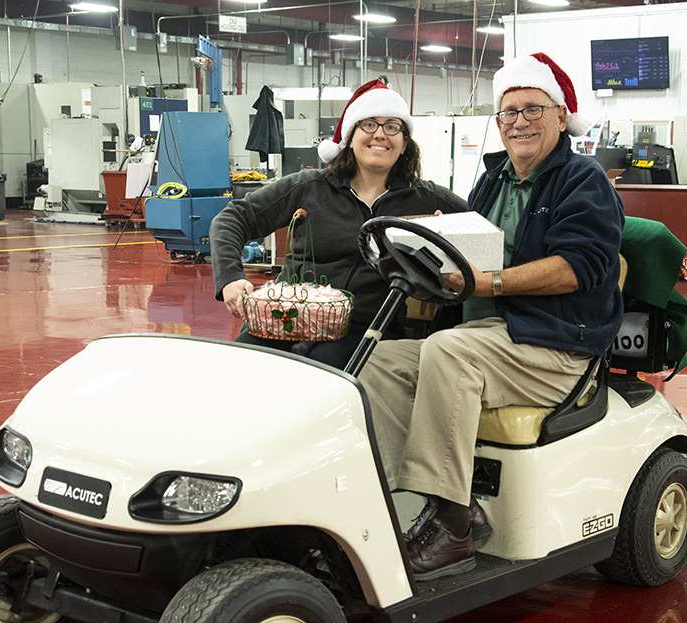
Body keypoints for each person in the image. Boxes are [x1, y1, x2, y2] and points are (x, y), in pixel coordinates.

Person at [358, 53, 626, 581]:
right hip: (495, 338)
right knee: (379, 362)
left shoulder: (582, 179)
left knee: (449, 352)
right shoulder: (494, 179)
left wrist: (488, 283)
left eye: (533, 109)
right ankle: (399, 504)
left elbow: (580, 267)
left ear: (559, 115)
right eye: (508, 113)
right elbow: (473, 251)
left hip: (557, 346)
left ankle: (454, 525)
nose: (519, 121)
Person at [209, 79, 466, 368]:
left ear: (405, 143)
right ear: (350, 137)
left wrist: (455, 233)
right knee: (241, 366)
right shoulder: (309, 187)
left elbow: (484, 229)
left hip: (365, 326)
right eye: (369, 124)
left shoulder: (426, 199)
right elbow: (232, 218)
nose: (380, 135)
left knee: (326, 377)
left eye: (393, 126)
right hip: (285, 316)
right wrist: (230, 276)